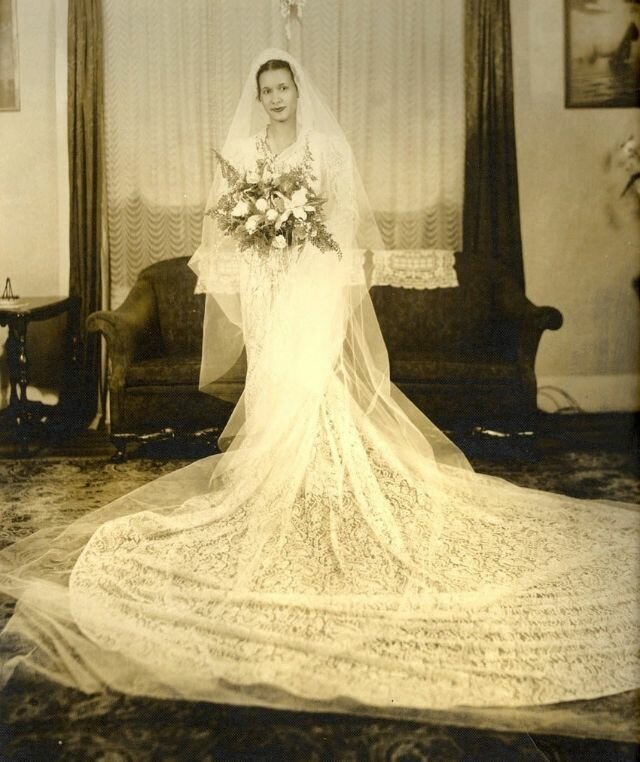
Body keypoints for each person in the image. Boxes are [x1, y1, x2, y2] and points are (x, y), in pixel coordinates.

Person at [0, 49, 638, 714]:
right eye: (266, 89)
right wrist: (261, 240)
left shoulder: (325, 146)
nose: (275, 97)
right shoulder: (245, 148)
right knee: (277, 387)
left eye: (283, 87)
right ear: (258, 94)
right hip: (271, 290)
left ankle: (327, 490)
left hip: (313, 286)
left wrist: (304, 252)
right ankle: (280, 493)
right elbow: (227, 223)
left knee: (314, 387)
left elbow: (343, 224)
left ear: (298, 90)